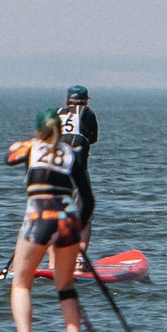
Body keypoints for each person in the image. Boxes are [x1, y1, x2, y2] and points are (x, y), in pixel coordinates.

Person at [2, 109, 88, 332]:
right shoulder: (73, 154)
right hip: (69, 221)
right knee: (66, 286)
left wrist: (22, 144)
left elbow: (8, 158)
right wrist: (79, 228)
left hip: (39, 219)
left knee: (21, 281)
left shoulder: (30, 148)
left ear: (38, 131)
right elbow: (88, 198)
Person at [58, 86, 100, 232]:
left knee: (57, 215)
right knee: (84, 213)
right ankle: (79, 254)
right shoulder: (87, 114)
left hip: (54, 172)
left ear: (67, 100)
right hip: (77, 171)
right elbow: (92, 138)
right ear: (85, 102)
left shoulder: (57, 114)